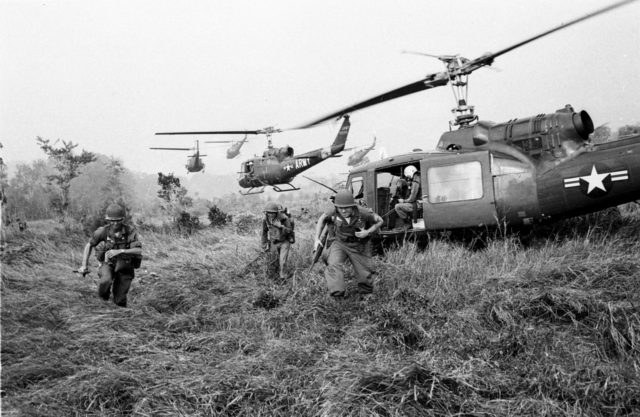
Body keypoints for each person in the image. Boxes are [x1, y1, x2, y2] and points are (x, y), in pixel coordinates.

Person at [314, 190, 383, 299]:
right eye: (340, 208)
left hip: (359, 245)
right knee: (333, 264)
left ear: (353, 206)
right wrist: (316, 238)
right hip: (340, 243)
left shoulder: (363, 212)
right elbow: (322, 218)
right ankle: (337, 294)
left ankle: (366, 293)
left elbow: (380, 221)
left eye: (346, 207)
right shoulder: (334, 210)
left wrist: (367, 232)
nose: (343, 210)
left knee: (364, 271)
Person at [77, 203, 143, 307]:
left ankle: (119, 315)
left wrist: (121, 251)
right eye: (112, 220)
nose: (115, 223)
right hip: (108, 263)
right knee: (105, 281)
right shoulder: (103, 231)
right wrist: (84, 265)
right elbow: (89, 245)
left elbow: (138, 250)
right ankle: (104, 303)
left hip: (125, 265)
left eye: (118, 220)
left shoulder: (130, 231)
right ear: (108, 220)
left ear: (123, 219)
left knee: (120, 300)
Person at [261, 202, 295, 280]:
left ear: (276, 213)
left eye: (272, 213)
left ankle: (283, 277)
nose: (271, 215)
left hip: (284, 242)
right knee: (273, 261)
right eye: (269, 213)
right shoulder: (265, 220)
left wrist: (281, 226)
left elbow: (289, 230)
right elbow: (264, 233)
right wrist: (264, 245)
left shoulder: (284, 218)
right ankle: (274, 277)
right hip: (273, 242)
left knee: (282, 261)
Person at [394, 165, 421, 230]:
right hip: (419, 202)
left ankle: (408, 224)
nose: (408, 178)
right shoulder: (418, 178)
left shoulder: (416, 182)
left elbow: (412, 198)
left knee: (397, 207)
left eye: (408, 176)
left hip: (418, 204)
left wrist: (403, 201)